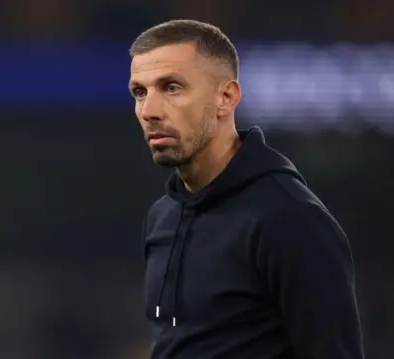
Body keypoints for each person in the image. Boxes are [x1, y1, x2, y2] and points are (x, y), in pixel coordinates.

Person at [129, 19, 365, 359]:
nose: (149, 111)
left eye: (172, 88)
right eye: (140, 92)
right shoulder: (161, 217)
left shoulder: (290, 217)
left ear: (226, 97)